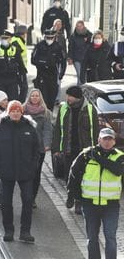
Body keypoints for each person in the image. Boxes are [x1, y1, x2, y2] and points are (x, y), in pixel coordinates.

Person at [66, 127, 124, 259]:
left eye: (110, 139)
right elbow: (73, 174)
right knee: (92, 237)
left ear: (114, 141)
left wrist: (98, 158)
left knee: (110, 237)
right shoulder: (86, 154)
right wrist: (72, 195)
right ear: (99, 140)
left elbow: (118, 170)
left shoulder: (119, 156)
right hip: (90, 203)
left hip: (111, 204)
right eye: (105, 139)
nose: (107, 142)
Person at [0, 100, 39, 243]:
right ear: (8, 113)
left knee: (28, 201)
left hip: (26, 172)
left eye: (18, 111)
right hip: (6, 172)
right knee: (6, 202)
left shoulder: (29, 127)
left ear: (21, 112)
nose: (15, 113)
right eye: (13, 111)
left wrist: (32, 166)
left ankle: (25, 231)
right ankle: (8, 230)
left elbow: (36, 149)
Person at [52, 85, 99, 214]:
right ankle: (70, 195)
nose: (67, 98)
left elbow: (95, 131)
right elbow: (57, 129)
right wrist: (56, 148)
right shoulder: (63, 108)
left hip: (84, 151)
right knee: (69, 176)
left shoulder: (89, 109)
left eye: (69, 96)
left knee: (82, 176)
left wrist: (95, 149)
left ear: (77, 97)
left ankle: (78, 201)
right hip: (68, 150)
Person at [22, 88, 53, 207]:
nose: (35, 98)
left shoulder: (46, 113)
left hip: (38, 148)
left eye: (37, 96)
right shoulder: (22, 111)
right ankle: (26, 195)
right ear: (29, 97)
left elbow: (47, 130)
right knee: (25, 173)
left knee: (36, 173)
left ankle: (32, 198)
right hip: (24, 148)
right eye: (32, 96)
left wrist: (46, 144)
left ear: (40, 98)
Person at [0, 31, 26, 101]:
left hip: (12, 80)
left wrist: (23, 82)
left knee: (12, 101)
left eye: (6, 38)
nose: (4, 40)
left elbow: (21, 66)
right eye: (3, 38)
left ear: (10, 39)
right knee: (0, 101)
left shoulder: (15, 50)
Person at [32, 29, 66, 109]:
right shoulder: (40, 46)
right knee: (43, 98)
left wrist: (61, 73)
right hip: (41, 75)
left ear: (54, 37)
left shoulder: (58, 47)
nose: (49, 39)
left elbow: (63, 61)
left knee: (51, 98)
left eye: (51, 38)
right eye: (48, 37)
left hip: (53, 75)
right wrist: (43, 62)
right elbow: (33, 59)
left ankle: (49, 115)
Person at [68, 20, 92, 85]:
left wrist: (87, 41)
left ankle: (81, 90)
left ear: (83, 26)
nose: (79, 27)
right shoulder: (73, 36)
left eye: (80, 26)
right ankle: (80, 90)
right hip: (77, 58)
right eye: (77, 26)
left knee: (84, 75)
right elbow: (70, 48)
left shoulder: (89, 35)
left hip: (86, 58)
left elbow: (91, 45)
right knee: (79, 74)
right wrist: (70, 58)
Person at [11, 26, 29, 102]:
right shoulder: (17, 41)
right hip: (19, 69)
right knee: (23, 88)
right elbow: (16, 57)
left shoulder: (18, 40)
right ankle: (20, 103)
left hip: (20, 68)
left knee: (22, 88)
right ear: (24, 33)